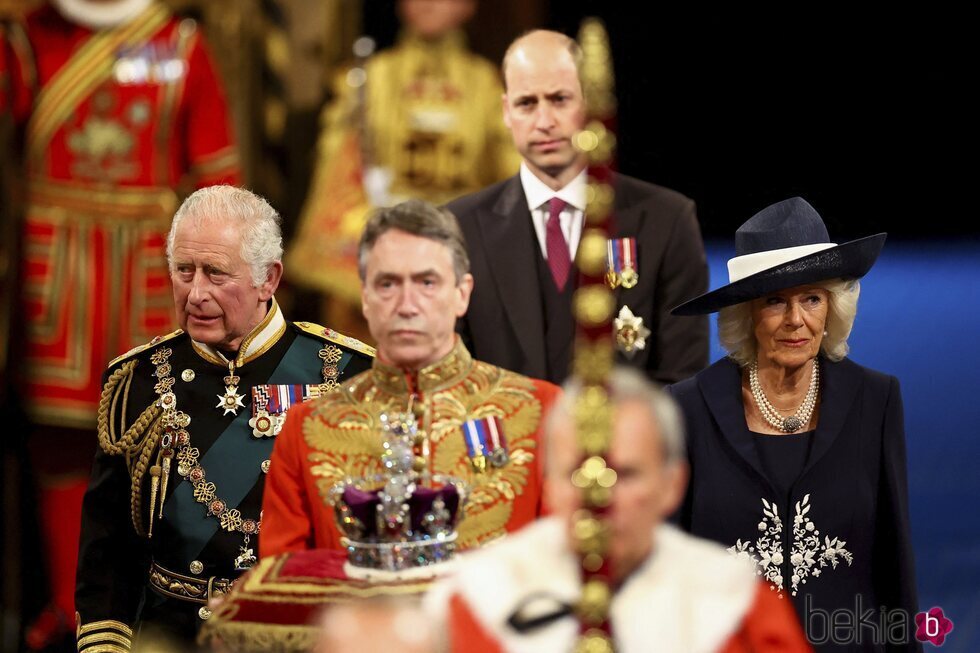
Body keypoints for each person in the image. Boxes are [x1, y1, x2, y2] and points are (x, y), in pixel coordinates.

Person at [1, 0, 240, 644]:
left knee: (157, 436)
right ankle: (65, 605)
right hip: (53, 272)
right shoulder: (25, 42)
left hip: (149, 272)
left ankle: (141, 610)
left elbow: (218, 173)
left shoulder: (180, 43)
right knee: (59, 440)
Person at [74, 186, 374, 650]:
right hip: (172, 636)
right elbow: (109, 550)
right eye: (183, 271)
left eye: (216, 273)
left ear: (268, 278)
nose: (195, 294)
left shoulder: (350, 375)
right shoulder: (136, 380)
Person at [668, 197, 919, 650]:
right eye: (775, 301)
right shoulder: (688, 408)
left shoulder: (876, 400)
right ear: (746, 313)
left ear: (832, 309)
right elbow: (667, 569)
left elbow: (893, 562)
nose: (795, 320)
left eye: (811, 298)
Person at [426, 367, 811, 652]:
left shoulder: (737, 608)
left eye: (623, 474)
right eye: (578, 472)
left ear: (672, 485)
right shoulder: (477, 602)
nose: (598, 498)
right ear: (549, 485)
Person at [260, 199, 560, 557]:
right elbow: (285, 583)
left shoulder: (543, 411)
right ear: (366, 298)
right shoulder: (307, 428)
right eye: (388, 284)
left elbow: (567, 563)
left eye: (427, 282)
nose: (407, 305)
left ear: (462, 294)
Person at [446, 29, 708, 386]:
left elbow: (683, 381)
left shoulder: (668, 220)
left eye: (559, 99)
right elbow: (448, 377)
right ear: (506, 111)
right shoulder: (456, 228)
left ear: (590, 103)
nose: (544, 122)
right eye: (527, 103)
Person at [285, 0, 520, 338]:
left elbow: (510, 184)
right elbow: (336, 176)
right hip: (376, 238)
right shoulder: (369, 79)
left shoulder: (487, 86)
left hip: (460, 243)